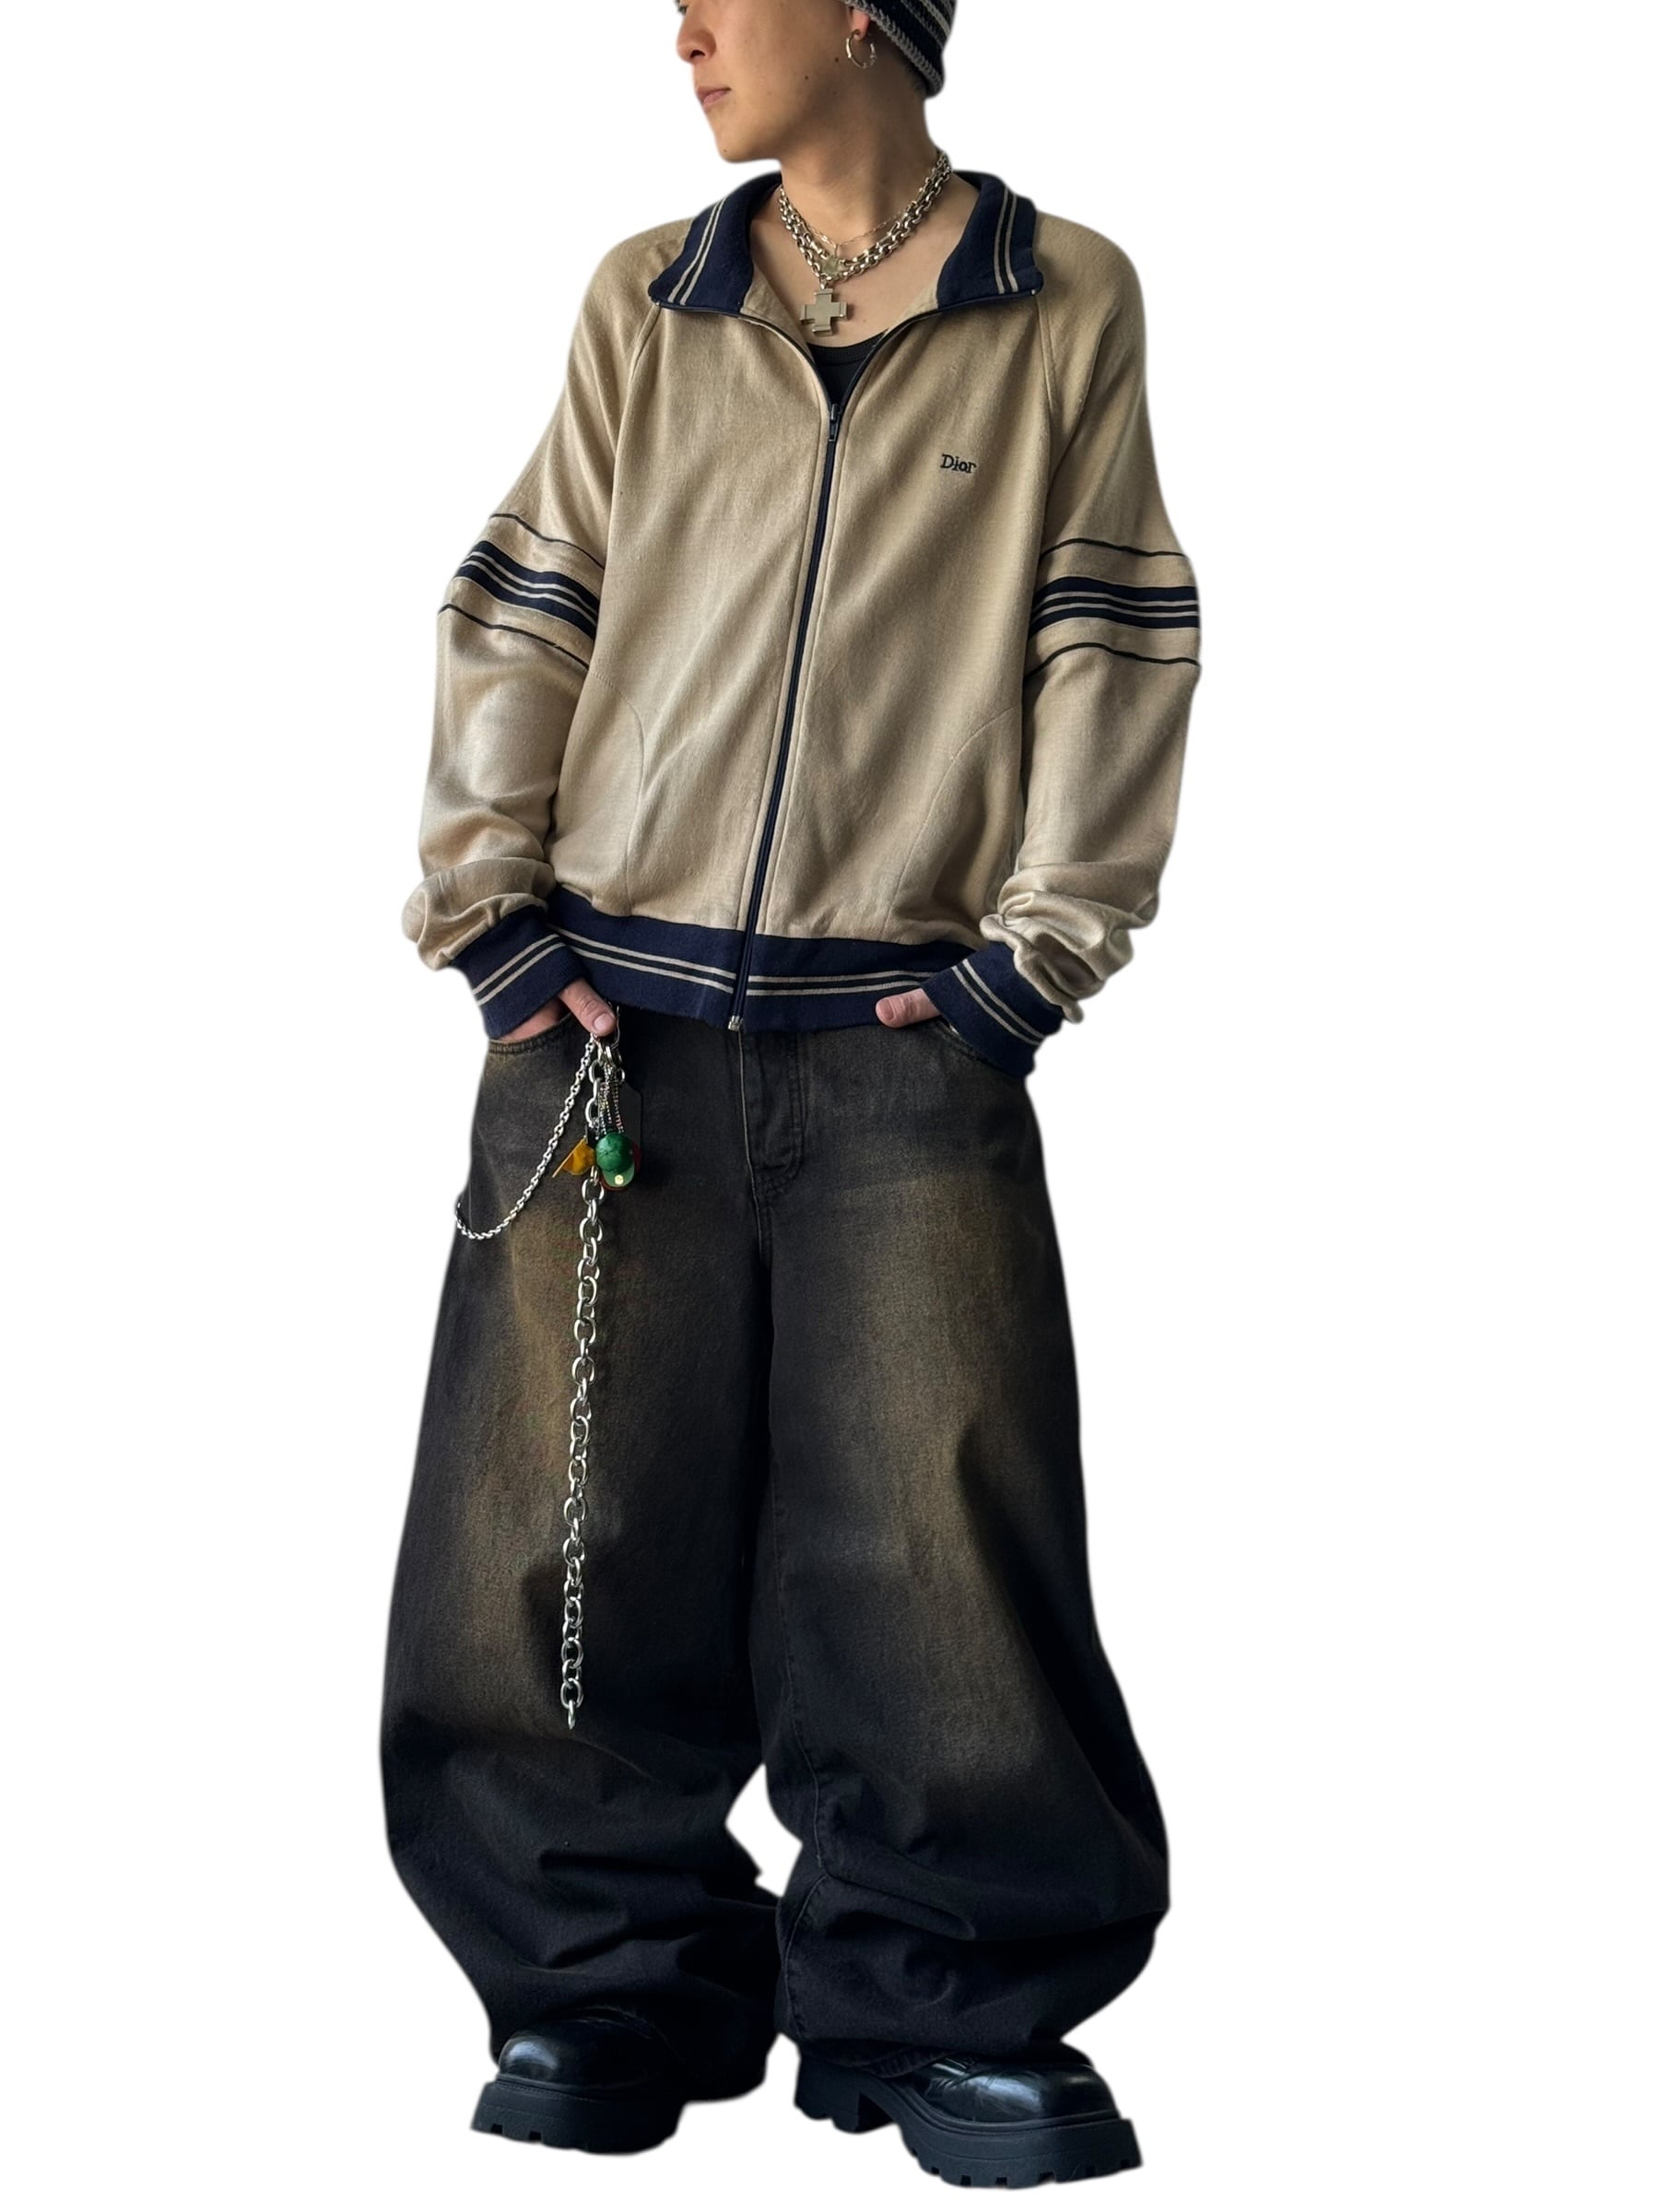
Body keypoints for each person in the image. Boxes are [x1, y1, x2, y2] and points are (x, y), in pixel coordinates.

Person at [381, 1, 1201, 2189]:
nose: (683, 30)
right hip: (600, 1029)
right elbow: (527, 601)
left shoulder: (1061, 297)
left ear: (864, 10)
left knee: (938, 1535)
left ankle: (950, 1993)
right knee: (552, 1534)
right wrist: (492, 918)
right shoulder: (651, 295)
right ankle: (599, 1980)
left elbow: (1114, 634)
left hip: (905, 1036)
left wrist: (1034, 962)